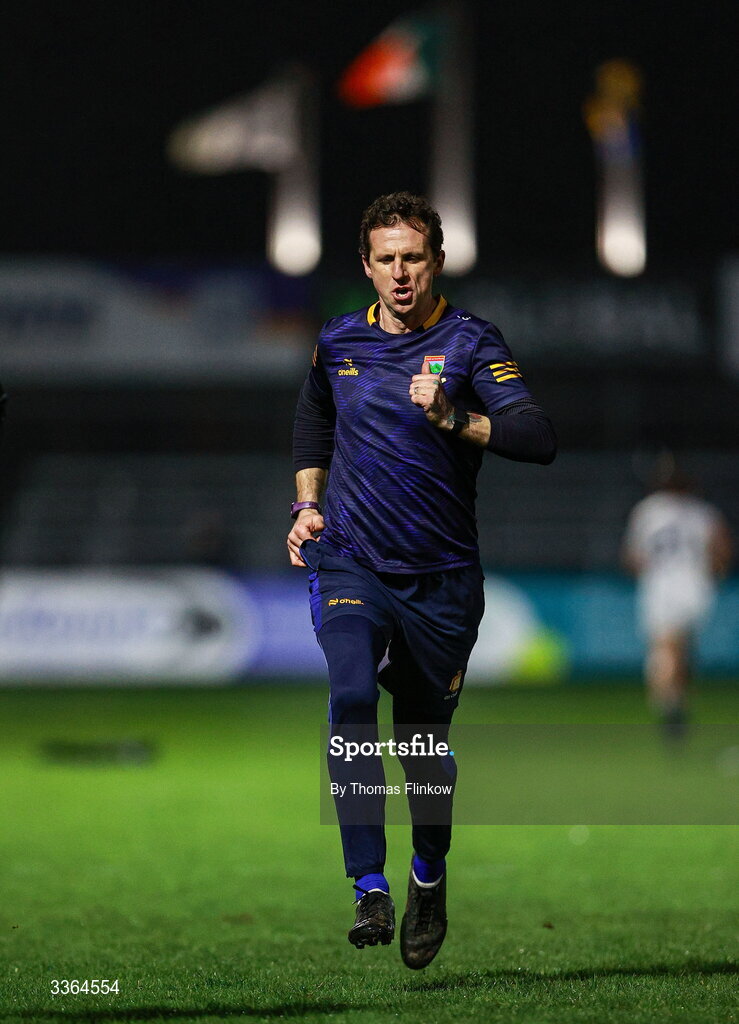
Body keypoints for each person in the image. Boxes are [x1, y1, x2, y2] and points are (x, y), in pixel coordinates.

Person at [287, 192, 556, 969]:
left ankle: (427, 874)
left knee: (422, 747)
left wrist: (456, 419)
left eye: (413, 258)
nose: (400, 274)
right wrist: (307, 504)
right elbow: (313, 422)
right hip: (351, 563)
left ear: (434, 261)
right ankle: (368, 884)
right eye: (386, 259)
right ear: (365, 266)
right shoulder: (337, 342)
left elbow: (536, 437)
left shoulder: (471, 343)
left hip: (439, 581)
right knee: (347, 692)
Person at [622, 457, 732, 739]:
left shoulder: (648, 511)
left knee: (664, 647)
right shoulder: (702, 512)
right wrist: (715, 574)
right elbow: (722, 550)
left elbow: (633, 558)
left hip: (662, 584)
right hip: (696, 584)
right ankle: (678, 697)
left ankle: (669, 704)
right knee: (682, 648)